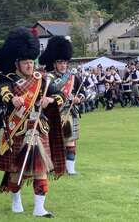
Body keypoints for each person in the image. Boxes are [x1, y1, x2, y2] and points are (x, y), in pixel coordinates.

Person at [0, 27, 66, 218]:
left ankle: (39, 208)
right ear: (17, 63)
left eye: (31, 62)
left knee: (40, 169)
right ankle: (16, 201)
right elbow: (2, 91)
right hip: (18, 130)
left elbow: (61, 95)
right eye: (25, 62)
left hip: (39, 130)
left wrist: (50, 100)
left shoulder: (41, 80)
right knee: (17, 171)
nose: (29, 66)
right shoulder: (9, 79)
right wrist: (12, 99)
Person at [39, 35, 84, 176]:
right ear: (54, 63)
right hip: (53, 114)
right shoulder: (47, 78)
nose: (63, 65)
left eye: (65, 63)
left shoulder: (73, 77)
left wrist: (79, 98)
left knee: (70, 142)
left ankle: (70, 169)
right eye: (60, 63)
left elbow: (83, 93)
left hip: (69, 112)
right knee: (54, 143)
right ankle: (54, 167)